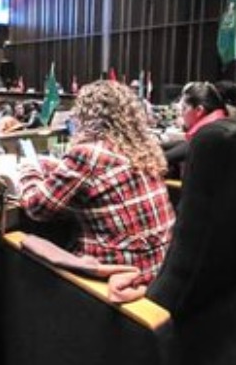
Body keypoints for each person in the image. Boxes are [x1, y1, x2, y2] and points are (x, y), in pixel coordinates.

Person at [17, 80, 175, 290]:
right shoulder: (143, 148)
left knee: (21, 244)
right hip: (158, 267)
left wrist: (28, 170)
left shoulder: (89, 153)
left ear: (86, 115)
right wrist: (57, 166)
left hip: (116, 273)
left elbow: (36, 208)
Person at [163, 81, 228, 170]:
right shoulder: (219, 123)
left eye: (184, 108)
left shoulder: (209, 134)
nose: (181, 114)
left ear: (199, 110)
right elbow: (184, 145)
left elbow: (165, 158)